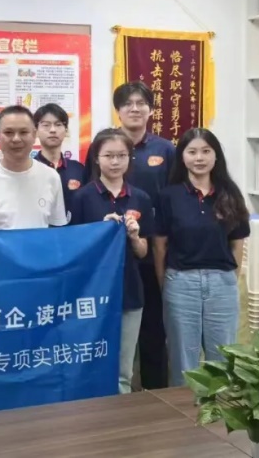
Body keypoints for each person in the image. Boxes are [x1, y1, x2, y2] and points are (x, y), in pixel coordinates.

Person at [154, 128, 249, 386]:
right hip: (180, 282)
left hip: (222, 283)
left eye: (206, 151)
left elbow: (237, 244)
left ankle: (221, 409)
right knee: (183, 360)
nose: (199, 158)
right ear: (182, 157)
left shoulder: (230, 194)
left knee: (223, 357)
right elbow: (160, 247)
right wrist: (166, 284)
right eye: (192, 151)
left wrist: (230, 279)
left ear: (216, 156)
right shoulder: (169, 196)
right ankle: (183, 409)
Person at [70, 129, 152, 394]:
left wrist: (135, 237)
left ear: (129, 158)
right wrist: (100, 232)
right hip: (91, 295)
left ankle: (121, 415)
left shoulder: (140, 197)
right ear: (96, 158)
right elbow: (75, 249)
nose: (115, 162)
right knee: (90, 363)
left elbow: (144, 252)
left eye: (121, 155)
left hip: (129, 291)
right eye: (108, 156)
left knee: (124, 370)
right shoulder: (82, 197)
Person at [113, 81, 176, 391]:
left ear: (151, 110)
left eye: (141, 103)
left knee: (153, 327)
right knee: (116, 329)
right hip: (114, 254)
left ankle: (156, 394)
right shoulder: (107, 144)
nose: (134, 108)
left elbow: (175, 196)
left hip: (153, 251)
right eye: (127, 103)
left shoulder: (165, 149)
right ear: (118, 110)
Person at [0, 105, 67, 230]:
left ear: (34, 135)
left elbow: (57, 229)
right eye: (8, 133)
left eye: (23, 132)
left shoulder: (51, 177)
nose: (16, 139)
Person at [33, 103, 85, 213]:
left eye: (58, 124)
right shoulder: (29, 170)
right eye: (46, 125)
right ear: (36, 131)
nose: (52, 130)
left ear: (66, 130)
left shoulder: (79, 169)